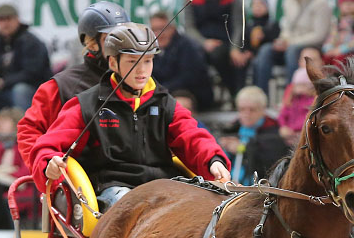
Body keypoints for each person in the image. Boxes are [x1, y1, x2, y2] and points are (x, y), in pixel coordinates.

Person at [31, 23, 231, 209]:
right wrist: (48, 163)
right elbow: (48, 146)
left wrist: (213, 160)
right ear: (113, 62)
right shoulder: (87, 104)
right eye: (133, 61)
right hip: (112, 189)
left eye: (147, 61)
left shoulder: (165, 102)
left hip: (164, 187)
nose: (142, 70)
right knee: (135, 208)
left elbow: (192, 137)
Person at [17, 1, 129, 170]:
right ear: (91, 43)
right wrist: (47, 167)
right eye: (111, 38)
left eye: (123, 36)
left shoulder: (139, 79)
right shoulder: (62, 86)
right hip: (87, 184)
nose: (119, 45)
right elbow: (29, 131)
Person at [0, 4, 52, 151]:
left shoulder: (31, 41)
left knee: (20, 90)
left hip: (32, 93)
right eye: (1, 20)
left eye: (8, 19)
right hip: (3, 92)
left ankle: (27, 142)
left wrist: (0, 82)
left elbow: (33, 73)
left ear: (17, 19)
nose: (5, 23)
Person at [253, 0, 332, 95]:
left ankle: (289, 96)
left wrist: (291, 42)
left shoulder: (320, 2)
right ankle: (260, 97)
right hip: (290, 44)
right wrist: (282, 40)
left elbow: (319, 35)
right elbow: (286, 27)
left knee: (292, 52)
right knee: (266, 50)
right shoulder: (288, 1)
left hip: (311, 46)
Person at [185, 0, 243, 98]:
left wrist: (235, 48)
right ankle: (205, 99)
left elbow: (238, 24)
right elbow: (189, 27)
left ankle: (235, 95)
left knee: (222, 56)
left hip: (226, 42)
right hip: (202, 43)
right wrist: (204, 43)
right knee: (192, 58)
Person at [219, 86, 287, 184]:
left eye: (252, 110)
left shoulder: (274, 130)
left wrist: (243, 148)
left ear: (262, 110)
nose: (246, 114)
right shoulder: (232, 128)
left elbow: (271, 164)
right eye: (242, 109)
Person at [150, 9, 214, 110]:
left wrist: (161, 89)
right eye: (155, 30)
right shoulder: (151, 50)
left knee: (178, 103)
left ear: (173, 28)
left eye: (163, 29)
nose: (159, 34)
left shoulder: (188, 46)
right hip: (164, 91)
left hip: (191, 93)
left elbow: (189, 78)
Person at [277, 49, 319, 146]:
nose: (300, 89)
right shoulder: (291, 100)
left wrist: (301, 131)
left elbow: (311, 117)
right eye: (298, 85)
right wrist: (283, 127)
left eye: (304, 85)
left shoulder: (313, 100)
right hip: (290, 135)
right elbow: (282, 115)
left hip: (305, 135)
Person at [234, 0, 279, 80]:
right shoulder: (248, 25)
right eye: (254, 4)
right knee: (239, 62)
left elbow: (275, 41)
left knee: (259, 61)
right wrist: (246, 52)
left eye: (261, 4)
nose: (257, 7)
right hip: (249, 55)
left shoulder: (272, 24)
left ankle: (260, 91)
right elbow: (244, 41)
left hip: (267, 58)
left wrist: (264, 35)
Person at [322, 0, 354, 65]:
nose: (348, 5)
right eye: (345, 2)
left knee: (340, 60)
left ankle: (340, 76)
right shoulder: (337, 21)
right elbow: (333, 36)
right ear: (340, 6)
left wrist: (342, 49)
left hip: (351, 51)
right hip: (336, 49)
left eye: (351, 2)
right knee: (325, 59)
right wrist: (329, 47)